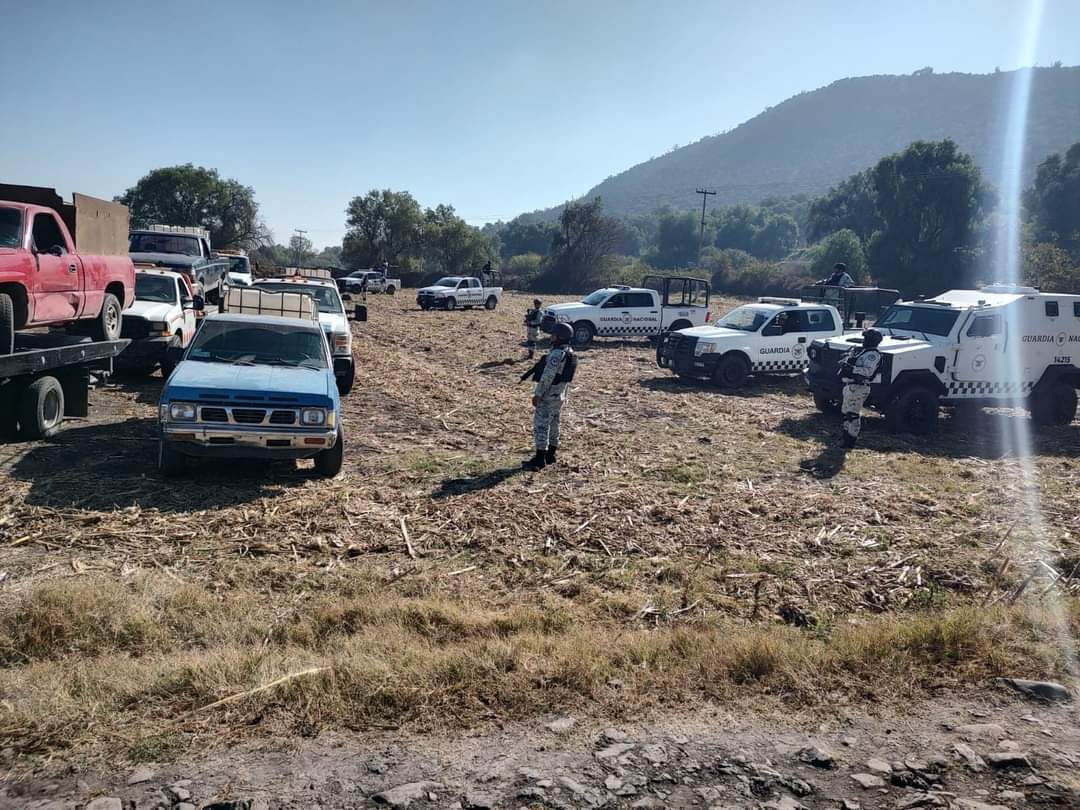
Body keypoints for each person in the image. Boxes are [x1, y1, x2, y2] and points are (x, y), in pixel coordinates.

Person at [521, 322, 576, 470]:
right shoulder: (569, 351)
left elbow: (547, 376)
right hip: (560, 394)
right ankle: (551, 454)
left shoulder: (557, 354)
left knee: (541, 426)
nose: (551, 337)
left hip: (549, 395)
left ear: (559, 337)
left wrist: (538, 394)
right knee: (554, 424)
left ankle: (540, 458)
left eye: (554, 334)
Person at [838, 328, 883, 448]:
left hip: (859, 386)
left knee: (853, 414)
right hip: (851, 385)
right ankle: (845, 435)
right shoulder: (863, 351)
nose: (864, 340)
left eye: (867, 338)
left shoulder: (873, 354)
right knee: (846, 412)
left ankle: (850, 440)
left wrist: (851, 368)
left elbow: (867, 372)